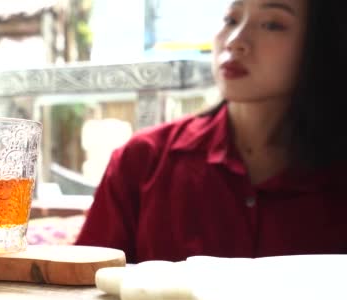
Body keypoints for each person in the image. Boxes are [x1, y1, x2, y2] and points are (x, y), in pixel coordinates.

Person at [75, 0, 347, 263]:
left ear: (322, 42)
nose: (235, 40)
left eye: (272, 24)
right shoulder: (143, 160)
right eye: (231, 19)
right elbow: (80, 288)